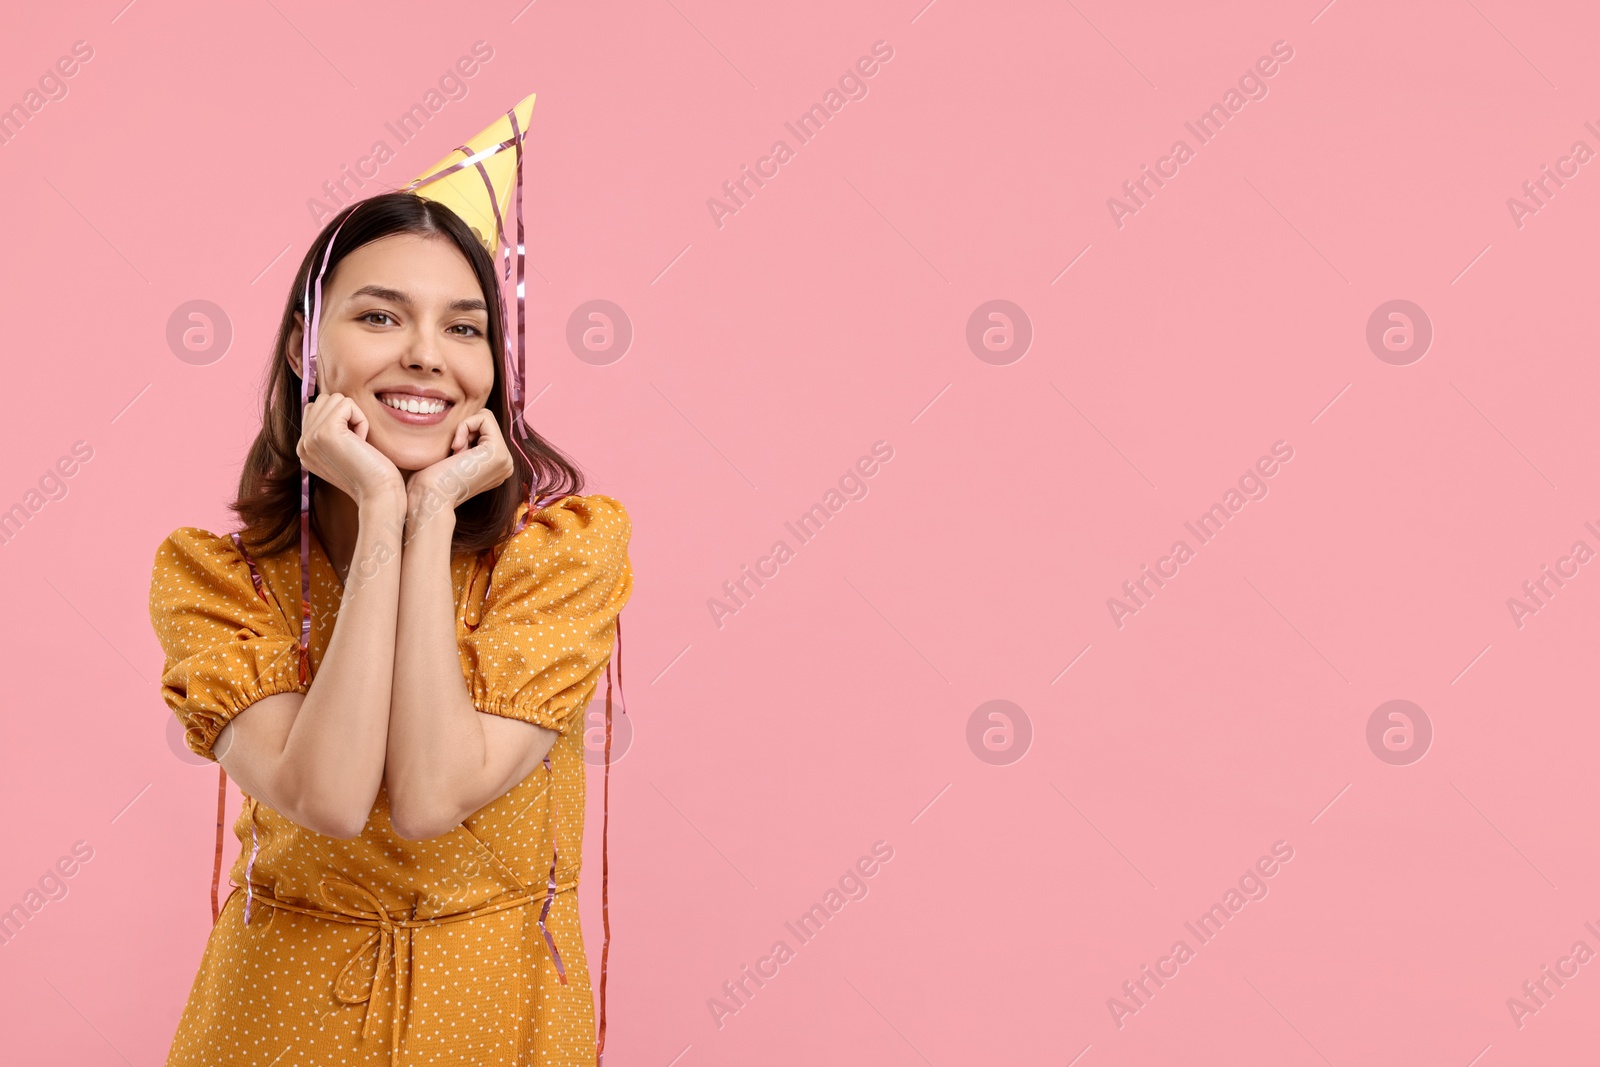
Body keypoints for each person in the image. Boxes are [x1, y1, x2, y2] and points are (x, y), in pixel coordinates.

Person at [147, 191, 631, 1066]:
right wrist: (380, 510)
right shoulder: (222, 579)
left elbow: (431, 794)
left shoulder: (557, 557)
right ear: (307, 345)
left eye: (463, 328)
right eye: (379, 315)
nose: (424, 357)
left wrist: (434, 509)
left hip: (499, 1011)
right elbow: (328, 796)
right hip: (276, 1020)